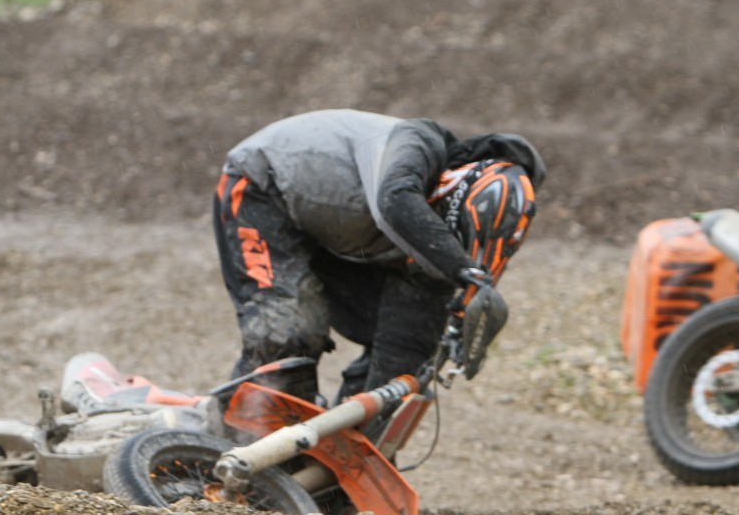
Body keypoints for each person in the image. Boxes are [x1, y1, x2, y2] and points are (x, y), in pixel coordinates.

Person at [212, 109, 546, 402]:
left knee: (409, 353)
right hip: (262, 189)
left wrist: (467, 307)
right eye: (448, 236)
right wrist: (463, 270)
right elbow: (394, 200)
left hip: (337, 230)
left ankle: (344, 454)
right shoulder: (418, 143)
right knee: (289, 334)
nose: (445, 250)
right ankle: (233, 442)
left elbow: (409, 342)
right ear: (450, 198)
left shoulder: (444, 249)